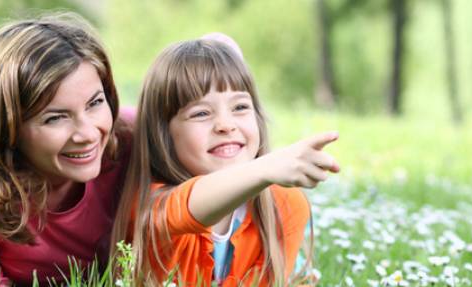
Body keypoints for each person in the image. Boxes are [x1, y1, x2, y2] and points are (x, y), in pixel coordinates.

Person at [0, 12, 133, 285]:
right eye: (55, 117)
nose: (89, 134)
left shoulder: (131, 137)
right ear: (7, 126)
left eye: (95, 103)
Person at [110, 39, 339, 286]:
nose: (225, 125)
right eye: (201, 113)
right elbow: (189, 207)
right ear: (163, 135)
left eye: (240, 107)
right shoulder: (152, 207)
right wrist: (264, 168)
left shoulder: (284, 207)